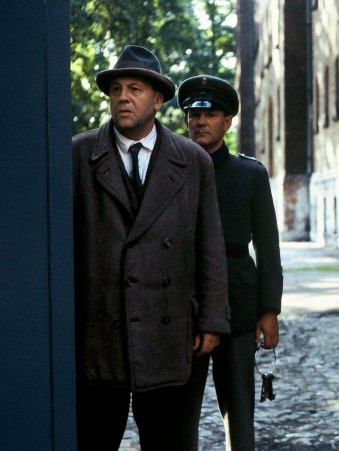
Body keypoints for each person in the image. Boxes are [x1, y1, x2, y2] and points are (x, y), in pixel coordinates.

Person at [72, 45, 231, 450]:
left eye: (135, 89)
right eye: (117, 89)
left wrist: (212, 320)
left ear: (158, 100)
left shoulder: (192, 161)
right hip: (99, 333)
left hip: (167, 332)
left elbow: (209, 245)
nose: (123, 97)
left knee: (166, 441)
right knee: (93, 440)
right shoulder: (78, 155)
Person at [177, 74, 283, 451]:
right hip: (185, 306)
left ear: (227, 122)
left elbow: (268, 247)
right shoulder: (173, 171)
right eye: (193, 114)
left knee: (239, 413)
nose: (200, 122)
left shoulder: (249, 174)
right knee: (179, 416)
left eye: (210, 115)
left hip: (238, 306)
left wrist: (269, 310)